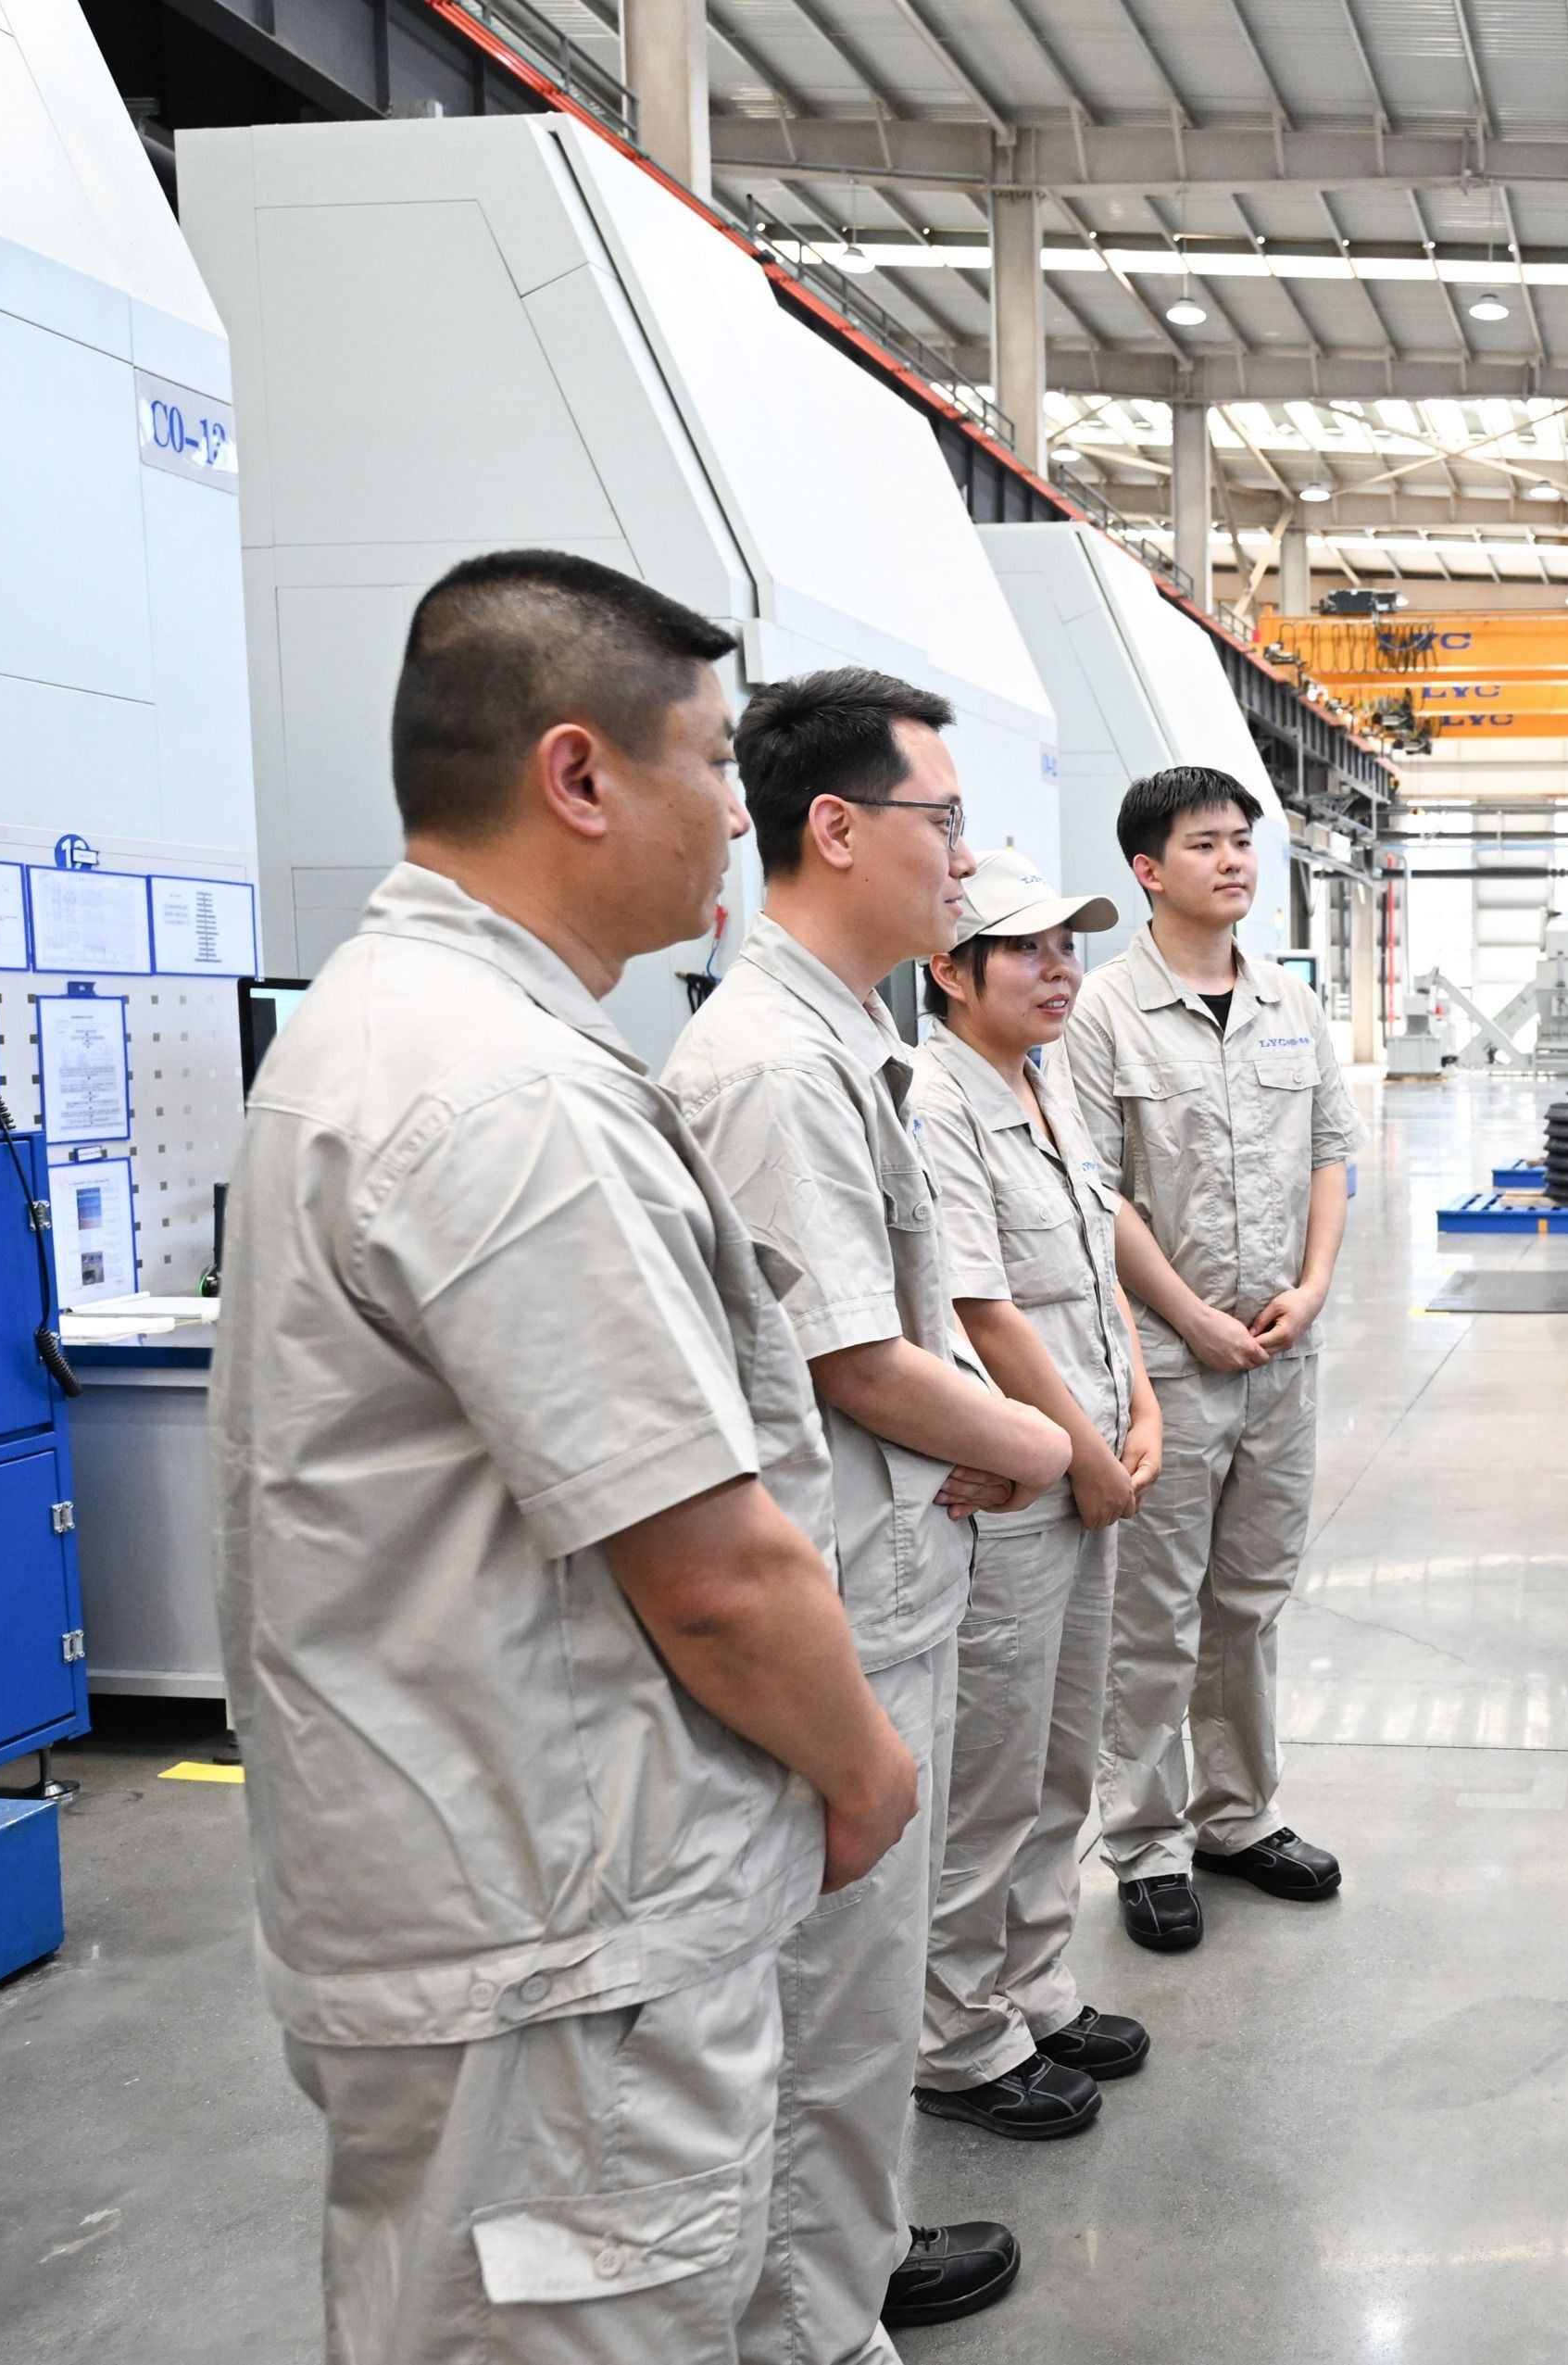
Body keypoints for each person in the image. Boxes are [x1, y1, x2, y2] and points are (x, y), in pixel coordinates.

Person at [214, 550, 923, 2363]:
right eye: (714, 762)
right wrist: (862, 1769)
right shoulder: (512, 1093)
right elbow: (714, 1568)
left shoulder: (394, 1025)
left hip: (478, 1886)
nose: (735, 815)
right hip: (554, 1936)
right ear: (579, 774)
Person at [662, 666, 1075, 2354]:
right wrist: (1037, 1442)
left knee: (863, 1984)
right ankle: (813, 2323)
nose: (965, 863)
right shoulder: (774, 1063)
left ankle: (849, 2251)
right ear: (834, 828)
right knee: (830, 2002)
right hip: (843, 1593)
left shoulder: (850, 1040)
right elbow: (854, 1356)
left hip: (896, 1568)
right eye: (945, 823)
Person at [1065, 765, 1359, 1954]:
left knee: (1248, 1600)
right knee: (1153, 1611)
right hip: (1171, 1364)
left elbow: (1331, 1151)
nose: (1235, 860)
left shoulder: (1289, 1002)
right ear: (1147, 869)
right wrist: (1189, 1319)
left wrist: (1315, 1287)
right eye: (1205, 844)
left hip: (1282, 1356)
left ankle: (1237, 1815)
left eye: (1243, 840)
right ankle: (1146, 1842)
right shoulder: (1102, 1012)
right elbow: (1098, 1192)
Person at [912, 848, 1165, 2140]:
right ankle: (956, 2037)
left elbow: (1093, 1262)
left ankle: (1032, 1985)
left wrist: (1143, 1403)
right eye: (1027, 949)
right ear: (951, 970)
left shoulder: (1044, 1078)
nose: (1060, 970)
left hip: (1088, 1463)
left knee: (1065, 1752)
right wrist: (1083, 1453)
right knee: (994, 1769)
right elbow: (980, 1306)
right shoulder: (936, 1099)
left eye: (1069, 946)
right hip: (1018, 1485)